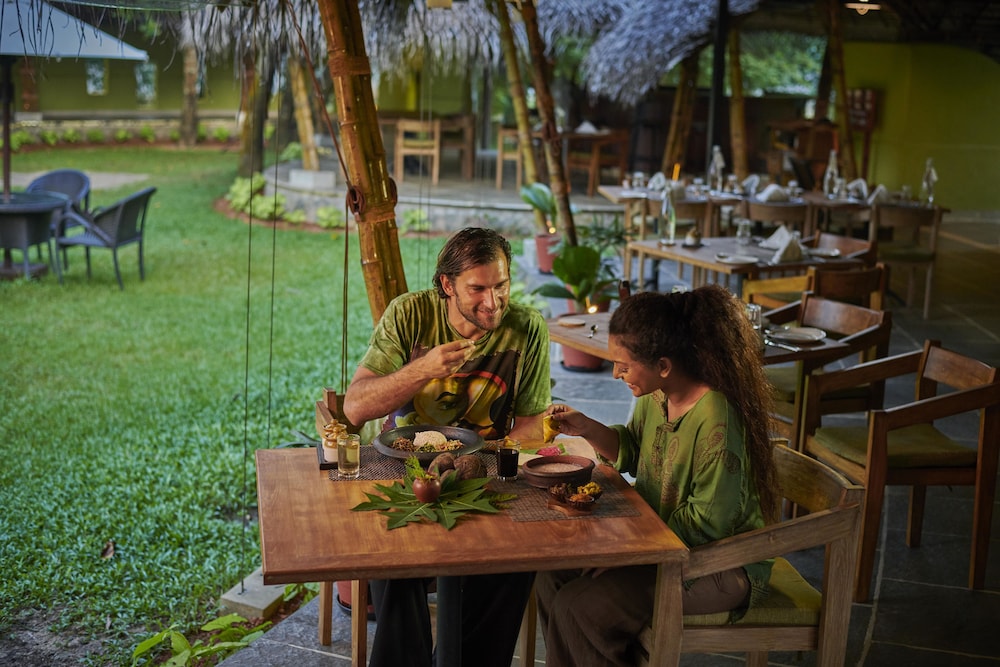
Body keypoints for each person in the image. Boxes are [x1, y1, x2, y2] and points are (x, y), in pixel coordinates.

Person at [342, 227, 551, 667]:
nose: (493, 302)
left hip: (485, 477)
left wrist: (504, 459)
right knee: (394, 560)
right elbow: (356, 406)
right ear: (447, 284)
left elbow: (532, 425)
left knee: (514, 563)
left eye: (501, 286)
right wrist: (422, 369)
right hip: (403, 472)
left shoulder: (526, 328)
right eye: (478, 289)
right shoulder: (410, 313)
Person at [537, 285, 777, 666]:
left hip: (715, 563)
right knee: (550, 577)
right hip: (658, 545)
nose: (615, 374)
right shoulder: (656, 394)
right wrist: (586, 427)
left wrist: (625, 552)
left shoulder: (717, 418)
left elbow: (707, 524)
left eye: (624, 366)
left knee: (578, 607)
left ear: (663, 365)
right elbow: (633, 448)